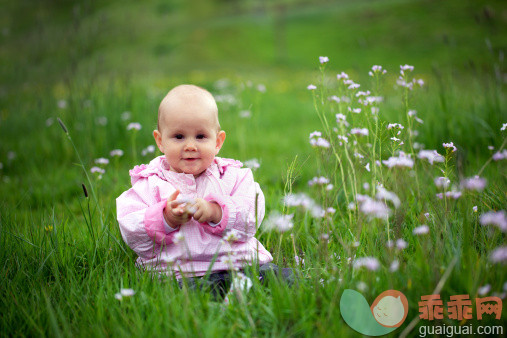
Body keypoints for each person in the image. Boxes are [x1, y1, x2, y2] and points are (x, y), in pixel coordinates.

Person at [117, 84, 293, 296]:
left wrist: (216, 212)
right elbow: (132, 232)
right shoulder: (149, 183)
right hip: (178, 272)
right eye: (179, 136)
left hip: (239, 263)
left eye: (200, 136)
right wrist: (165, 218)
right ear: (160, 140)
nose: (190, 146)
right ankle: (218, 300)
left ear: (218, 141)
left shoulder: (233, 176)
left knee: (281, 279)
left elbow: (251, 216)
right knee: (185, 294)